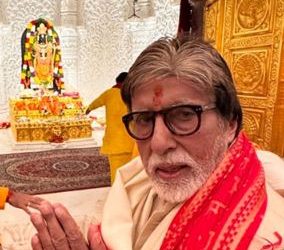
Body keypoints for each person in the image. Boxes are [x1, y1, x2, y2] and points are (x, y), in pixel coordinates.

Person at [29, 37, 284, 250]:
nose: (159, 143)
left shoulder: (261, 236)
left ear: (230, 124)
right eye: (143, 119)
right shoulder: (136, 182)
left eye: (184, 115)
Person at [85, 72, 135, 183]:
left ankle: (117, 193)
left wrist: (88, 110)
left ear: (117, 82)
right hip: (131, 139)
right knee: (131, 170)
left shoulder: (109, 93)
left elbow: (96, 103)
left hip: (114, 141)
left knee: (116, 172)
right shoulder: (131, 95)